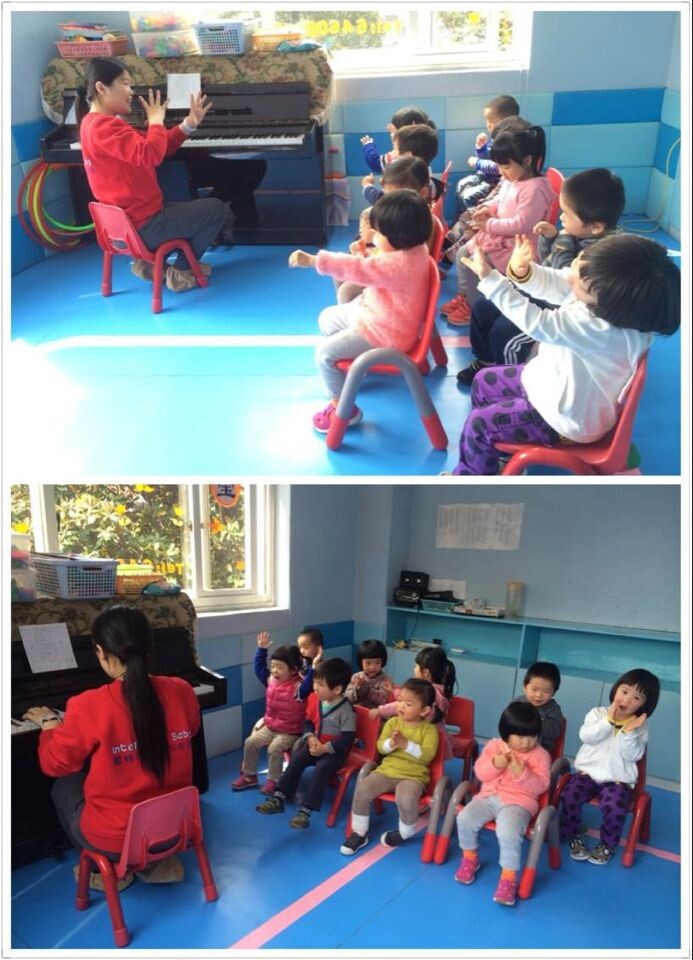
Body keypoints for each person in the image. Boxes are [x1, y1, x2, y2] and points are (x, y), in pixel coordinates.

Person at [451, 232, 680, 475]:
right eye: (580, 261)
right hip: (553, 386)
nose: (571, 274)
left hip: (563, 419)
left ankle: (471, 477)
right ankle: (499, 452)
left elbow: (538, 323)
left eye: (580, 281)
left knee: (479, 425)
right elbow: (563, 283)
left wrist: (490, 279)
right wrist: (524, 272)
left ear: (607, 306)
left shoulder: (600, 330)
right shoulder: (612, 307)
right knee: (484, 380)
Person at [22, 606, 200, 890]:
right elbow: (190, 730)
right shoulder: (182, 689)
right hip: (177, 825)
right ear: (149, 647)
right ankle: (154, 863)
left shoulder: (87, 704)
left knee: (63, 784)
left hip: (114, 840)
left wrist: (50, 725)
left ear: (100, 652)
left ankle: (107, 871)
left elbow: (54, 764)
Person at [457, 168, 626, 384]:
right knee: (483, 307)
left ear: (596, 227)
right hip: (547, 292)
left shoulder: (603, 258)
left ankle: (508, 377)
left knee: (504, 334)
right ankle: (486, 361)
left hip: (561, 310)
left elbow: (566, 280)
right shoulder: (580, 233)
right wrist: (549, 241)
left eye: (567, 214)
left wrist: (562, 240)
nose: (561, 218)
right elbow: (549, 264)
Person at [288, 190, 433, 435]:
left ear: (398, 237)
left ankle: (344, 409)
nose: (375, 236)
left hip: (384, 333)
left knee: (323, 355)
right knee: (327, 318)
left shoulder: (399, 263)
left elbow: (362, 269)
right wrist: (364, 252)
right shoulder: (415, 250)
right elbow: (374, 268)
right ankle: (346, 373)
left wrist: (314, 261)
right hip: (376, 314)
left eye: (380, 233)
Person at [76, 57, 227, 293]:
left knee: (184, 209)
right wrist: (156, 120)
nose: (131, 91)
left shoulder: (93, 124)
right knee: (216, 209)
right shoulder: (105, 127)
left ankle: (149, 264)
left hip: (125, 226)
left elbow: (156, 146)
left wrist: (187, 125)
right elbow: (150, 154)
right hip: (144, 225)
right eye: (125, 83)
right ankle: (181, 271)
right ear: (101, 88)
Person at [442, 120, 555, 326]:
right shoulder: (513, 179)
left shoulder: (535, 189)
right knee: (462, 254)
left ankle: (475, 306)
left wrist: (489, 224)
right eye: (499, 166)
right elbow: (500, 199)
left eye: (506, 166)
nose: (501, 171)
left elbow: (522, 225)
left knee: (474, 259)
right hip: (499, 237)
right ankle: (468, 297)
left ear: (527, 160)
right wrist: (488, 209)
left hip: (516, 247)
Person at [454, 701, 550, 907]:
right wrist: (495, 765)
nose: (527, 742)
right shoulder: (494, 746)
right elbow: (480, 773)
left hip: (520, 802)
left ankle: (508, 877)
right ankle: (470, 857)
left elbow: (541, 786)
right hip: (489, 796)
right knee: (464, 818)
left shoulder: (540, 755)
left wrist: (521, 772)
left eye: (532, 736)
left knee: (507, 831)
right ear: (506, 734)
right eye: (521, 736)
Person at [560, 668, 659, 865]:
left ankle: (608, 844)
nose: (627, 700)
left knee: (615, 807)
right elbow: (586, 736)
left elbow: (633, 755)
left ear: (645, 705)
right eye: (624, 691)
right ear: (616, 690)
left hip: (617, 781)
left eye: (637, 697)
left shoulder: (640, 727)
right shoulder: (597, 713)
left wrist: (629, 732)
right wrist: (608, 721)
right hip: (586, 774)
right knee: (569, 795)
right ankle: (573, 833)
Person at [340, 678, 439, 853]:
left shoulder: (430, 730)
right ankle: (359, 833)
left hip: (413, 777)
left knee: (406, 799)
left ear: (424, 710)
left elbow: (427, 756)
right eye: (399, 700)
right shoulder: (393, 722)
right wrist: (391, 744)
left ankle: (404, 833)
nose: (401, 706)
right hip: (386, 771)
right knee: (362, 789)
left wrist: (406, 744)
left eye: (408, 704)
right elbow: (380, 748)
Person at [255, 658, 356, 828]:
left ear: (337, 689)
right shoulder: (314, 699)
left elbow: (347, 738)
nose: (315, 688)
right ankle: (279, 797)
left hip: (335, 752)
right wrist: (310, 738)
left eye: (320, 685)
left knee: (322, 768)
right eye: (315, 682)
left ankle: (306, 811)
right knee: (297, 758)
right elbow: (308, 722)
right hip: (315, 745)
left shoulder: (347, 711)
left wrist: (326, 748)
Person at [339, 158, 437, 304]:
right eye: (387, 196)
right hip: (386, 263)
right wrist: (364, 252)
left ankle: (356, 313)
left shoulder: (421, 219)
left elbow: (404, 258)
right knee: (341, 273)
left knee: (346, 290)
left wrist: (373, 238)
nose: (389, 204)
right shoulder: (409, 213)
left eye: (396, 198)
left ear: (422, 192)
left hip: (398, 278)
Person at [232, 635, 313, 795]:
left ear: (293, 670)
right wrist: (262, 650)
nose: (274, 670)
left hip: (290, 732)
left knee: (274, 748)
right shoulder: (271, 680)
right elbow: (259, 669)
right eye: (273, 666)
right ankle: (249, 776)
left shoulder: (299, 688)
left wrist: (312, 666)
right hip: (270, 727)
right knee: (250, 742)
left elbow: (310, 682)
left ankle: (274, 781)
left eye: (280, 667)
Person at [371, 645, 456, 757]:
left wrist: (380, 710)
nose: (414, 669)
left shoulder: (429, 691)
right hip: (433, 737)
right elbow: (411, 700)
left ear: (425, 672)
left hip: (425, 739)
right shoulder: (437, 689)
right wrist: (394, 690)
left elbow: (404, 703)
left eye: (415, 666)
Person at [453, 94, 521, 215]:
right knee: (461, 184)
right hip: (483, 176)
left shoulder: (510, 143)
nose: (487, 125)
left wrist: (478, 163)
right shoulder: (495, 138)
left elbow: (498, 167)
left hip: (494, 182)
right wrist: (481, 149)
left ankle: (473, 220)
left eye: (491, 121)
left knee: (469, 197)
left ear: (505, 122)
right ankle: (459, 217)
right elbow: (489, 157)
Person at [362, 124, 442, 206]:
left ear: (408, 155)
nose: (390, 152)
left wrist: (367, 185)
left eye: (394, 149)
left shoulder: (401, 178)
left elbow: (379, 200)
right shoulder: (429, 180)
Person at [360, 106, 435, 174]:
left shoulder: (401, 158)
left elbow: (376, 163)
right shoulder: (424, 149)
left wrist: (368, 145)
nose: (388, 129)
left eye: (393, 132)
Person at [514, 662, 564, 754]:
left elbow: (555, 732)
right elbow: (507, 723)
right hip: (516, 746)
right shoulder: (518, 702)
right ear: (525, 687)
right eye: (534, 689)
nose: (538, 695)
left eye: (546, 691)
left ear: (554, 692)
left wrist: (538, 720)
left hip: (540, 751)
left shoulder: (553, 708)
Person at [345, 639, 395, 708]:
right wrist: (357, 690)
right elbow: (347, 698)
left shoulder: (385, 680)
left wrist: (367, 691)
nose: (372, 667)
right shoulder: (356, 677)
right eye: (368, 663)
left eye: (377, 663)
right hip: (355, 711)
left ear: (382, 662)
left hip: (373, 713)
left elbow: (383, 700)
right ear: (361, 662)